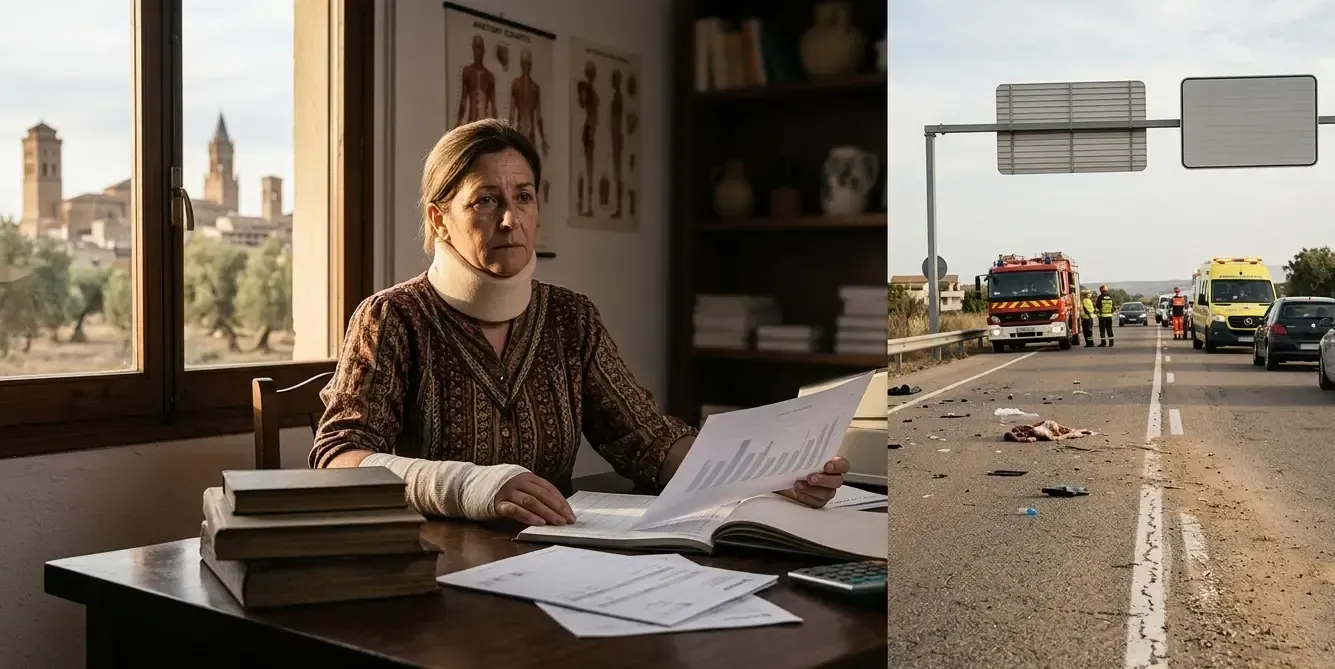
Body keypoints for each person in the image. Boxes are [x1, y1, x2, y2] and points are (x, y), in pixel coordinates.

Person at [310, 119, 849, 527]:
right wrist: (465, 484)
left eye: (523, 197)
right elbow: (337, 459)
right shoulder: (393, 318)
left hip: (558, 560)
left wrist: (773, 481)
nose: (510, 218)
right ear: (439, 219)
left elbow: (649, 440)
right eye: (485, 201)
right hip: (427, 566)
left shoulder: (570, 318)